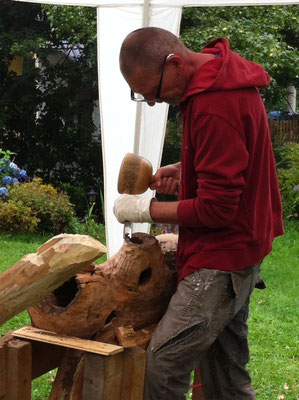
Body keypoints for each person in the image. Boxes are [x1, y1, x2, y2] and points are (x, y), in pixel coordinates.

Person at [113, 27, 284, 400]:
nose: (155, 103)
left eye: (153, 93)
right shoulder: (220, 76)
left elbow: (218, 209)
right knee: (224, 378)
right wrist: (186, 168)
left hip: (223, 257)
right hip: (244, 246)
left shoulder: (212, 106)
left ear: (174, 64)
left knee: (161, 366)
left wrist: (145, 208)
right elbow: (235, 158)